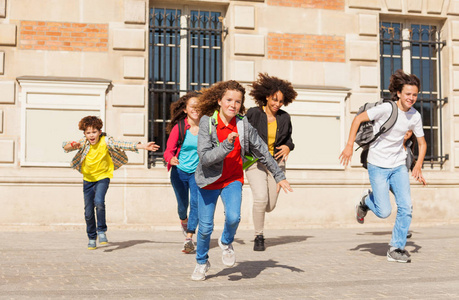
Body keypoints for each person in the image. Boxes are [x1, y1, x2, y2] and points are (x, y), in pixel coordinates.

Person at [191, 80, 293, 281]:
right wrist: (226, 146)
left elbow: (263, 151)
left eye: (237, 101)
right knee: (204, 229)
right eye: (229, 100)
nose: (233, 105)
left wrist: (279, 176)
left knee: (233, 218)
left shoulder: (243, 124)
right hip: (208, 180)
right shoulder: (207, 122)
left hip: (232, 179)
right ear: (219, 101)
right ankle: (201, 262)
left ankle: (226, 241)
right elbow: (204, 157)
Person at [339, 69, 427, 263]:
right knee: (384, 211)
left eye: (414, 94)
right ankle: (365, 201)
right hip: (377, 165)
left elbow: (422, 143)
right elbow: (358, 119)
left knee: (406, 207)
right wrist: (348, 145)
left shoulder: (415, 116)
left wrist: (418, 165)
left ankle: (396, 248)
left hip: (398, 166)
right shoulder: (386, 109)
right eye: (407, 94)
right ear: (398, 93)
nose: (411, 98)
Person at [63, 116, 159, 250]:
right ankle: (91, 237)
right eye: (88, 133)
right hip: (88, 180)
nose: (91, 135)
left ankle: (101, 231)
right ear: (84, 134)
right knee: (88, 212)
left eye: (94, 132)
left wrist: (142, 146)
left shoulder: (106, 141)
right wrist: (73, 145)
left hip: (103, 177)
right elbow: (66, 146)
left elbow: (122, 144)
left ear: (100, 131)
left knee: (99, 202)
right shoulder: (83, 143)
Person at [245, 73, 297, 251]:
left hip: (277, 164)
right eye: (274, 99)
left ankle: (261, 218)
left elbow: (288, 139)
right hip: (255, 163)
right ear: (266, 97)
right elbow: (244, 136)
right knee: (260, 199)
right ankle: (258, 236)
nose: (277, 104)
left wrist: (289, 147)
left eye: (281, 101)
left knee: (270, 205)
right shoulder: (253, 113)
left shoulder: (284, 117)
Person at [164, 91, 201, 254]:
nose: (196, 109)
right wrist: (171, 159)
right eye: (192, 106)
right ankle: (183, 221)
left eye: (198, 106)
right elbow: (168, 151)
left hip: (197, 173)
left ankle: (189, 237)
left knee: (195, 204)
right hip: (179, 172)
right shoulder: (179, 127)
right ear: (185, 109)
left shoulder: (207, 128)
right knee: (182, 206)